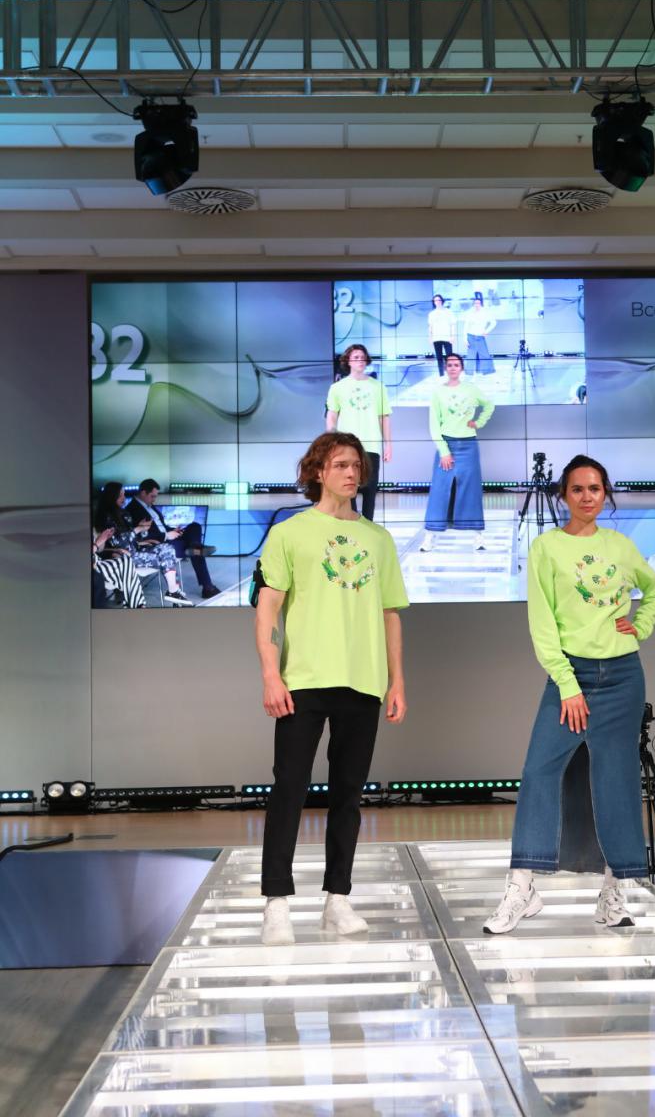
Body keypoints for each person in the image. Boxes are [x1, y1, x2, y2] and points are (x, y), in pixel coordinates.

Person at [484, 454, 655, 935]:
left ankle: (613, 893)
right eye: (578, 489)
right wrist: (568, 685)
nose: (588, 497)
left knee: (616, 779)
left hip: (623, 676)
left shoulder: (620, 546)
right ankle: (522, 887)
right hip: (573, 675)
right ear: (564, 495)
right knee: (539, 771)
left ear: (606, 495)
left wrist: (640, 626)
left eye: (596, 488)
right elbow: (542, 624)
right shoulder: (546, 547)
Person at [255, 431, 409, 944]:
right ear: (318, 471)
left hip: (362, 680)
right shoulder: (290, 533)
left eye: (357, 465)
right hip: (304, 680)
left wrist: (397, 680)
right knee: (289, 788)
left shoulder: (378, 539)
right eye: (341, 464)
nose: (351, 473)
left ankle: (337, 899)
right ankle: (276, 902)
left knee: (349, 795)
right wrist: (271, 674)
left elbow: (390, 614)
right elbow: (267, 609)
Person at [421, 353, 494, 552]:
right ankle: (430, 535)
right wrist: (444, 451)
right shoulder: (438, 392)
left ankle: (478, 536)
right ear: (446, 368)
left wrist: (478, 422)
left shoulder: (471, 389)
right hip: (447, 444)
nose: (453, 368)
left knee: (471, 489)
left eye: (456, 365)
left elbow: (489, 405)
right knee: (439, 490)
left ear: (461, 368)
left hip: (468, 445)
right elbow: (434, 425)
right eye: (450, 365)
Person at [94, 481, 192, 606]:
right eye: (120, 495)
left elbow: (131, 537)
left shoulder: (124, 514)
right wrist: (138, 529)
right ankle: (174, 593)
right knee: (166, 559)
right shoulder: (106, 517)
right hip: (123, 556)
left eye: (124, 494)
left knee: (167, 548)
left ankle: (173, 591)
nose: (124, 498)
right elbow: (118, 542)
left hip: (135, 549)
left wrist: (142, 537)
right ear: (111, 497)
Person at [325, 345, 392, 522]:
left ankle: (368, 527)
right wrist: (330, 441)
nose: (360, 360)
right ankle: (352, 527)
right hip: (347, 446)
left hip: (371, 445)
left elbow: (384, 417)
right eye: (355, 357)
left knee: (370, 490)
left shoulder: (378, 387)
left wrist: (388, 444)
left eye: (362, 357)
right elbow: (332, 415)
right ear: (348, 361)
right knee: (348, 489)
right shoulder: (337, 387)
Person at [125, 479, 220, 600]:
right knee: (194, 549)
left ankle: (194, 546)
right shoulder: (132, 510)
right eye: (152, 496)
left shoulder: (149, 506)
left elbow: (161, 526)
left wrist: (173, 530)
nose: (154, 499)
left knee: (195, 526)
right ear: (143, 493)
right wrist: (166, 535)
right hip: (160, 545)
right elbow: (141, 535)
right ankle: (207, 586)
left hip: (168, 536)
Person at [92, 526, 146, 608]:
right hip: (92, 566)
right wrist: (97, 544)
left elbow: (99, 550)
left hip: (98, 561)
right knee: (125, 567)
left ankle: (136, 605)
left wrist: (104, 539)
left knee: (126, 560)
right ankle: (138, 605)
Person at [464, 291, 496, 375]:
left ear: (481, 303)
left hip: (480, 336)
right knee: (471, 355)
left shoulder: (485, 312)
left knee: (484, 354)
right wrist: (465, 339)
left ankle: (487, 371)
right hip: (470, 336)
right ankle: (469, 372)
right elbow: (466, 327)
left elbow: (493, 322)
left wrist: (487, 331)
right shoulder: (470, 312)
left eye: (478, 303)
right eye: (475, 303)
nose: (477, 304)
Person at [428, 293, 455, 376]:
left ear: (442, 301)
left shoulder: (448, 312)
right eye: (435, 300)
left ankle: (451, 374)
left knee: (449, 357)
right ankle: (441, 375)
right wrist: (430, 338)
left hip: (447, 338)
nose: (437, 302)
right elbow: (430, 326)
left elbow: (452, 325)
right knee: (439, 357)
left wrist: (453, 336)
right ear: (434, 302)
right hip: (436, 338)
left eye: (439, 300)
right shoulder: (432, 314)